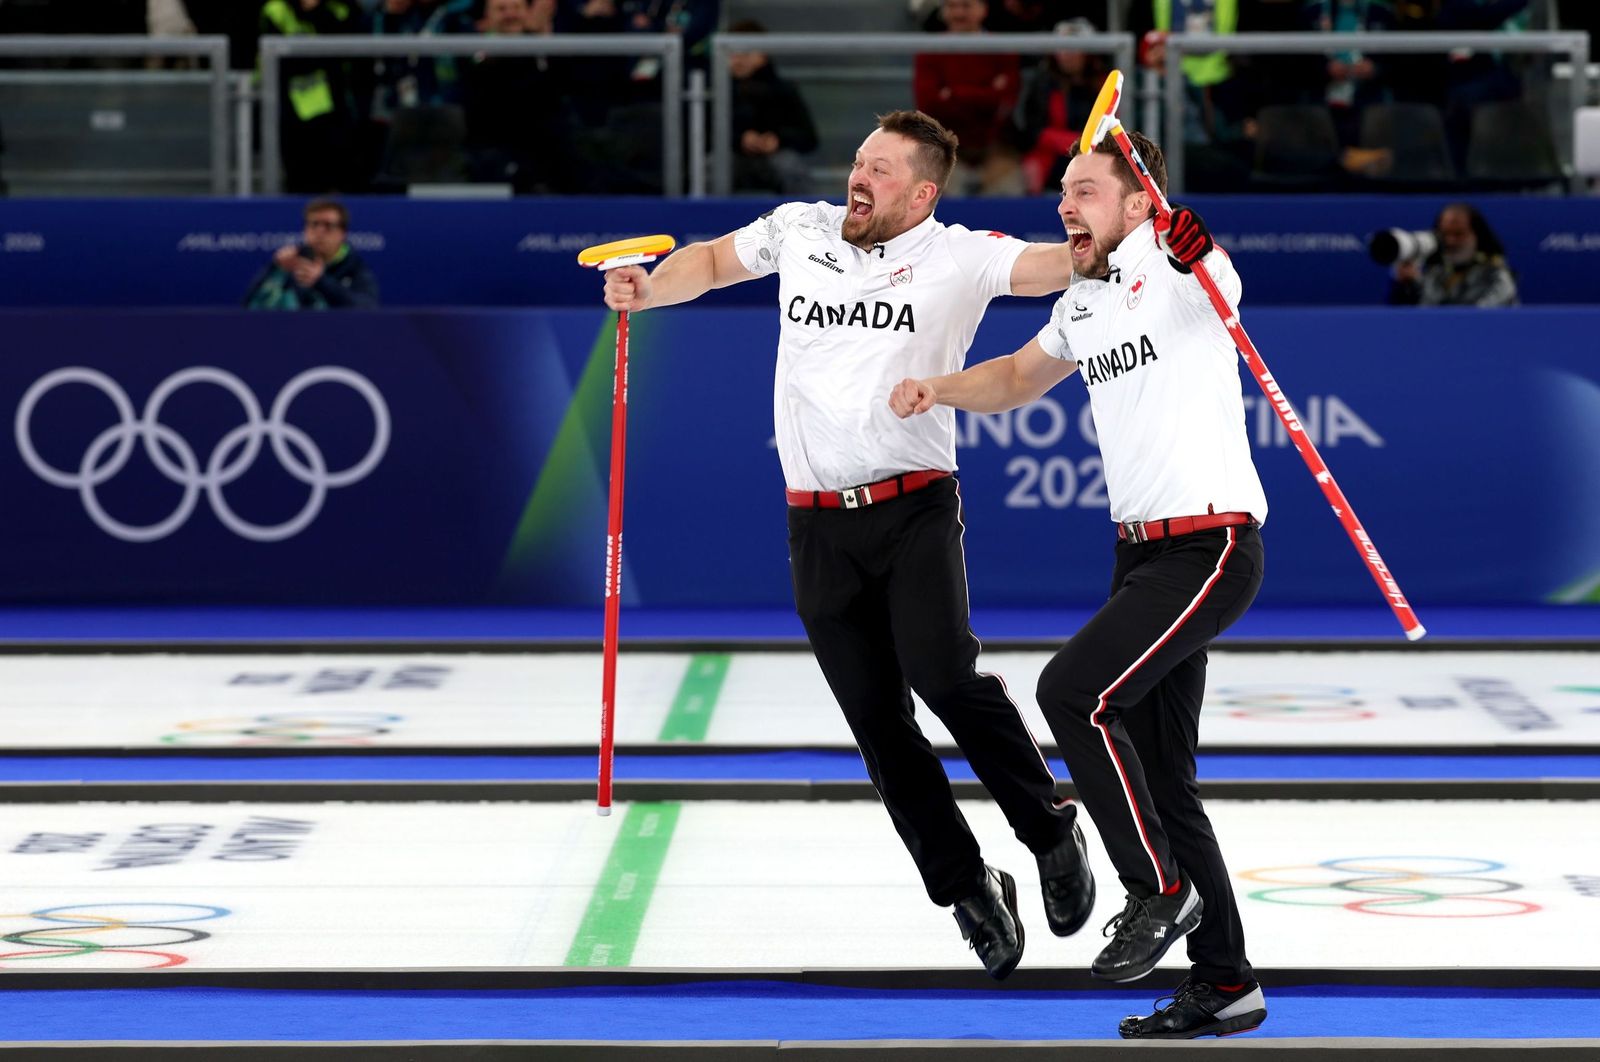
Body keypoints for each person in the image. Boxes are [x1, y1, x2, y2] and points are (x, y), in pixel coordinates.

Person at [601, 109, 1095, 981]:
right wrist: (648, 287)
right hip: (816, 520)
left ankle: (1049, 827)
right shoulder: (803, 230)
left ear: (923, 192)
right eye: (857, 160)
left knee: (945, 676)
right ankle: (967, 886)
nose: (855, 178)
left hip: (914, 507)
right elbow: (711, 262)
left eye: (877, 168)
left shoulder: (960, 254)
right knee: (878, 723)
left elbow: (1058, 266)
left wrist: (1116, 234)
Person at [888, 129, 1269, 1039]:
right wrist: (937, 389)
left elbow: (1216, 274)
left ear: (1138, 202)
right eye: (1063, 190)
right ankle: (1225, 982)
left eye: (1087, 190)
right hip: (1139, 554)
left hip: (1209, 544)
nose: (1066, 205)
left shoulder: (1179, 266)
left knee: (1071, 691)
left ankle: (1158, 888)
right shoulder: (1085, 297)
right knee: (1165, 783)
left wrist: (1192, 241)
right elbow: (1020, 375)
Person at [913, 0, 1023, 195]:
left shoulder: (1002, 48)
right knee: (941, 194)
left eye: (966, 6)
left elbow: (1004, 102)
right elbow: (928, 104)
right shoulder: (929, 50)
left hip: (995, 144)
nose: (958, 13)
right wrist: (984, 94)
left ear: (983, 9)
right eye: (952, 7)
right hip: (944, 146)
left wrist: (952, 93)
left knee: (1010, 190)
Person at [727, 19, 819, 195]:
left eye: (744, 53)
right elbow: (703, 136)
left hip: (776, 158)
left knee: (790, 166)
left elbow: (808, 138)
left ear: (762, 54)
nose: (737, 59)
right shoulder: (716, 90)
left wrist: (777, 140)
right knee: (711, 167)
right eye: (731, 53)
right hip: (733, 156)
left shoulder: (783, 89)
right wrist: (741, 139)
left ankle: (805, 220)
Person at [244, 198, 380, 309]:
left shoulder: (354, 267)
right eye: (314, 224)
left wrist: (321, 282)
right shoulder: (288, 264)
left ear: (342, 233)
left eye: (328, 225)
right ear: (305, 229)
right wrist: (275, 269)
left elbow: (368, 309)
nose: (319, 232)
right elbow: (249, 307)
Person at [1387, 201, 1518, 307]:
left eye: (1459, 234)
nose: (1450, 241)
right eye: (1445, 234)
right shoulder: (1434, 272)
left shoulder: (1497, 276)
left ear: (1477, 236)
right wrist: (1407, 287)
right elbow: (1412, 319)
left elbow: (1474, 318)